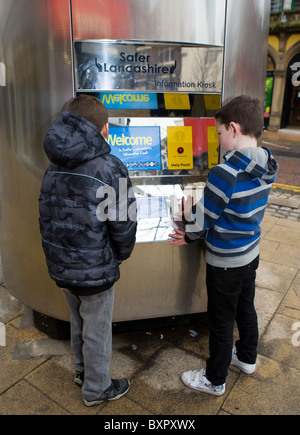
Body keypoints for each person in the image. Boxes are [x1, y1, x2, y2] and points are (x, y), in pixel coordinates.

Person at [169, 96, 279, 396]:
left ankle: (214, 379)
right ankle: (246, 357)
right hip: (250, 253)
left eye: (219, 133)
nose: (218, 139)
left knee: (220, 321)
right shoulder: (269, 163)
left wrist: (186, 224)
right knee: (246, 308)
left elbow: (204, 219)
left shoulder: (224, 173)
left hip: (225, 261)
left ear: (234, 128)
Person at [39, 94, 137, 406]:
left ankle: (82, 371)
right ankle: (97, 389)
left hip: (61, 265)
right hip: (95, 267)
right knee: (97, 328)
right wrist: (119, 255)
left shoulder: (54, 165)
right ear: (105, 130)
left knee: (77, 319)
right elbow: (124, 222)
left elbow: (46, 215)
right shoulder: (111, 168)